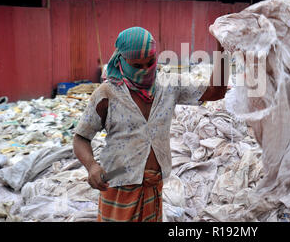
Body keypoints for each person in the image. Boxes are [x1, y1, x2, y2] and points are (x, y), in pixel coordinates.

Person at [73, 26, 228, 222]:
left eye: (150, 63)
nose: (145, 70)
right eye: (137, 66)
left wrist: (222, 49)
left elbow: (216, 92)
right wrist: (92, 167)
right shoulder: (107, 94)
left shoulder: (169, 86)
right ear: (121, 60)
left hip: (154, 187)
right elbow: (81, 137)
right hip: (119, 186)